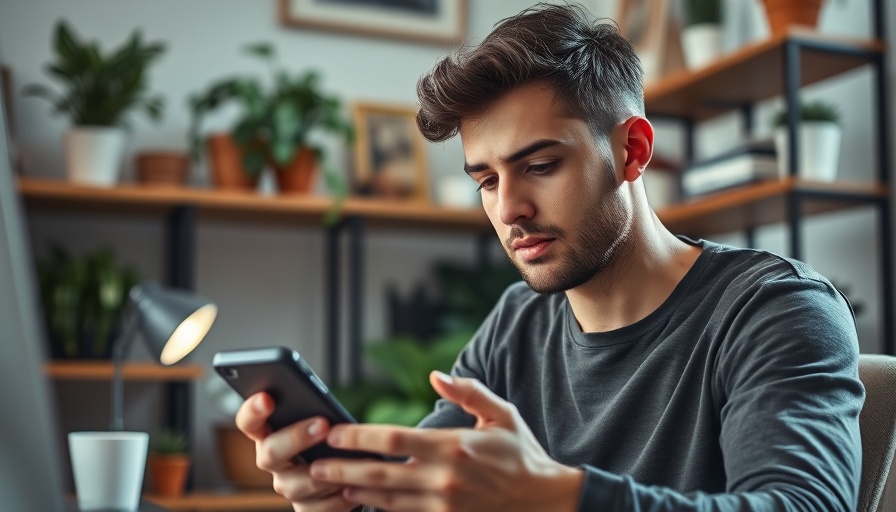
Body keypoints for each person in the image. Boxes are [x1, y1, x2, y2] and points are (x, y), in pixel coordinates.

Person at [236, 3, 864, 510]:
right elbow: (415, 483)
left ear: (632, 151)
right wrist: (341, 498)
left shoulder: (774, 310)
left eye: (539, 165)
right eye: (486, 180)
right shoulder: (515, 327)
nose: (509, 209)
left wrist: (555, 496)